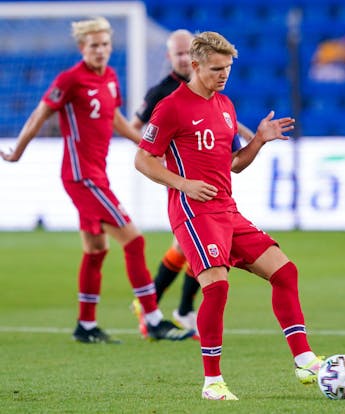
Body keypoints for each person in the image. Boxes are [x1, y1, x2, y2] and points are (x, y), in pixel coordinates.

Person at [135, 31, 322, 400]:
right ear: (195, 65)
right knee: (217, 289)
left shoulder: (225, 105)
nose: (223, 75)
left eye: (228, 68)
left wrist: (259, 140)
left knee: (285, 271)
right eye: (216, 68)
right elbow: (142, 159)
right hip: (193, 211)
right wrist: (183, 184)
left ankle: (304, 359)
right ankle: (212, 382)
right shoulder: (171, 107)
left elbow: (234, 164)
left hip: (226, 209)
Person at [0, 17, 194, 343]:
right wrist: (18, 149)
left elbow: (117, 120)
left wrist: (147, 146)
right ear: (82, 48)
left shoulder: (111, 78)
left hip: (96, 175)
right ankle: (153, 319)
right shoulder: (71, 79)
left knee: (96, 249)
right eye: (94, 46)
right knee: (134, 239)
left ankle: (86, 326)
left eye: (105, 45)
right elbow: (40, 113)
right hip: (81, 177)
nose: (101, 50)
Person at [130, 29, 254, 337]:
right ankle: (163, 308)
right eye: (179, 53)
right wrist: (162, 157)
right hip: (181, 180)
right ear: (170, 56)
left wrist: (251, 134)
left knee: (191, 250)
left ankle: (172, 308)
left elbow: (216, 119)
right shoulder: (163, 94)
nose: (184, 57)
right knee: (194, 249)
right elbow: (138, 132)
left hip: (205, 183)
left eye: (188, 51)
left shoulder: (213, 91)